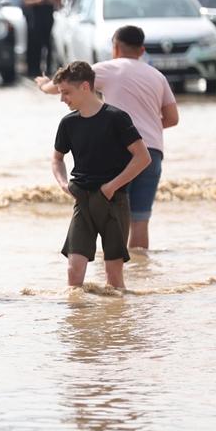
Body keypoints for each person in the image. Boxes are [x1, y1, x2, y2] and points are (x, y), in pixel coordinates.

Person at [36, 24, 179, 249]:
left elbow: (65, 86)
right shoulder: (157, 76)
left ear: (115, 47)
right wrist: (146, 129)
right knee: (140, 221)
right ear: (142, 50)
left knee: (109, 217)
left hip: (118, 153)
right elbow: (172, 118)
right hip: (151, 153)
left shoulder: (108, 68)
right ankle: (139, 273)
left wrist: (44, 85)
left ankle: (110, 276)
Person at [49, 61, 151, 290]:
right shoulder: (68, 123)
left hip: (113, 200)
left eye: (66, 92)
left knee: (113, 275)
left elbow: (143, 158)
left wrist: (112, 186)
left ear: (85, 87)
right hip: (82, 200)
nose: (62, 98)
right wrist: (63, 184)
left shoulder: (117, 118)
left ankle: (114, 322)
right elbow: (57, 158)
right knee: (73, 269)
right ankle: (78, 321)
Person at [22, 0, 62, 77]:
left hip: (48, 21)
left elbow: (60, 2)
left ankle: (49, 68)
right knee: (36, 46)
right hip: (36, 22)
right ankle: (35, 69)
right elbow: (25, 1)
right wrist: (35, 0)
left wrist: (52, 0)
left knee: (48, 46)